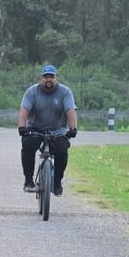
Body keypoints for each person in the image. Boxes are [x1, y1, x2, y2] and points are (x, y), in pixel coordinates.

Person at [18, 64, 77, 196]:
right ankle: (28, 181)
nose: (48, 80)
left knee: (62, 151)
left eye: (51, 77)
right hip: (35, 129)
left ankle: (57, 182)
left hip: (58, 130)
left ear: (56, 78)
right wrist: (22, 127)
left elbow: (70, 110)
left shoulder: (65, 92)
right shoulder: (32, 92)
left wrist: (73, 128)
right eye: (46, 77)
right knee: (28, 146)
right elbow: (24, 110)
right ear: (41, 78)